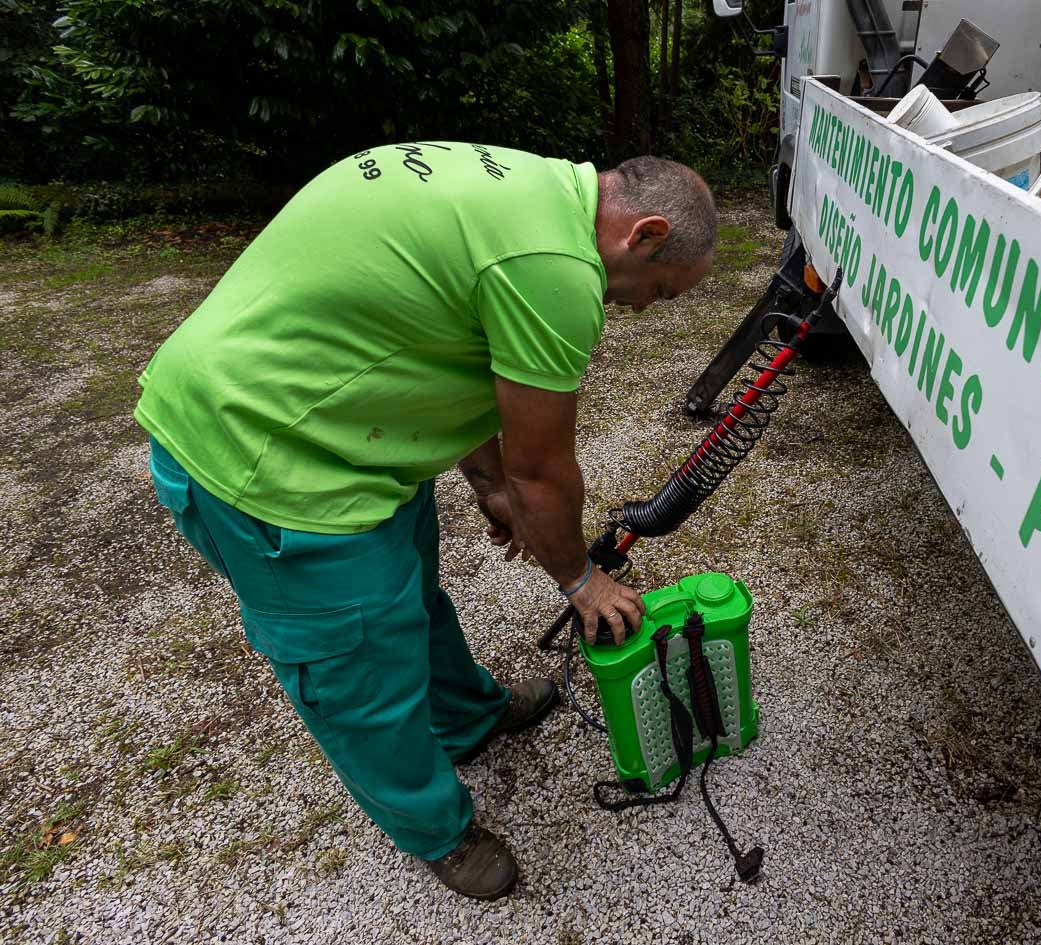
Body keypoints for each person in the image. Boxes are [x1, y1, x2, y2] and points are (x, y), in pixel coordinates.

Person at [134, 144, 716, 900]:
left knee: (410, 591)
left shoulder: (532, 189)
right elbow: (544, 475)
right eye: (660, 291)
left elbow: (445, 337)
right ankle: (437, 828)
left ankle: (465, 716)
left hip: (346, 427)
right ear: (642, 233)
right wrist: (580, 578)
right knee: (358, 666)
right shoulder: (556, 268)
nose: (640, 309)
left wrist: (485, 481)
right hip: (265, 453)